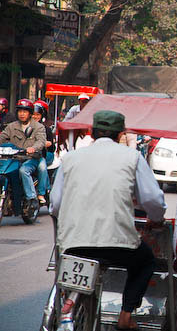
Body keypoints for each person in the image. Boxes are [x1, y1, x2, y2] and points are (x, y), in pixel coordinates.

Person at [50, 110, 166, 330]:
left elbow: (55, 204)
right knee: (145, 262)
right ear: (120, 134)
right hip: (117, 244)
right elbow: (152, 199)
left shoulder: (71, 158)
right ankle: (125, 314)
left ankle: (70, 298)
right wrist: (156, 219)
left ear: (92, 132)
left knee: (75, 259)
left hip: (74, 243)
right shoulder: (132, 157)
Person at [0, 99, 46, 212]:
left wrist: (33, 148)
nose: (22, 114)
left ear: (30, 113)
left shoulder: (38, 127)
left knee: (23, 171)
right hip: (12, 159)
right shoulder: (11, 126)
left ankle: (31, 198)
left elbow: (41, 141)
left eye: (25, 112)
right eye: (20, 111)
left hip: (30, 159)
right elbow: (2, 137)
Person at [32, 100, 55, 204]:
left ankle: (44, 191)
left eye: (37, 114)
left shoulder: (46, 129)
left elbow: (51, 147)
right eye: (33, 114)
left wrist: (46, 144)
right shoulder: (22, 127)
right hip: (28, 155)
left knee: (42, 166)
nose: (35, 117)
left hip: (43, 154)